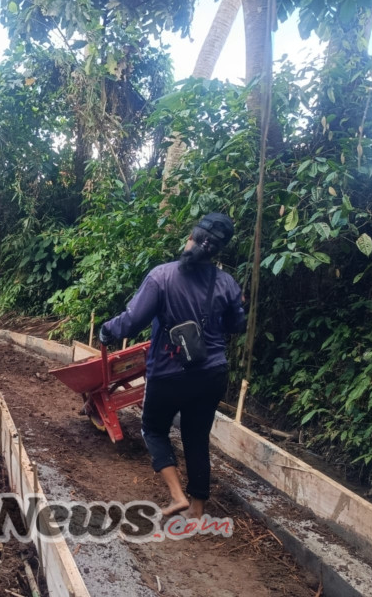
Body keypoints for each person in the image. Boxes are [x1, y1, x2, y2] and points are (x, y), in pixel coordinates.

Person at [99, 213, 245, 520]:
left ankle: (178, 496)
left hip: (169, 371)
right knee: (196, 435)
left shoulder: (162, 276)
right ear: (217, 250)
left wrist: (107, 330)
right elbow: (236, 325)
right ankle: (197, 508)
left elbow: (132, 320)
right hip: (212, 372)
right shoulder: (227, 283)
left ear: (191, 239)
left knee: (153, 429)